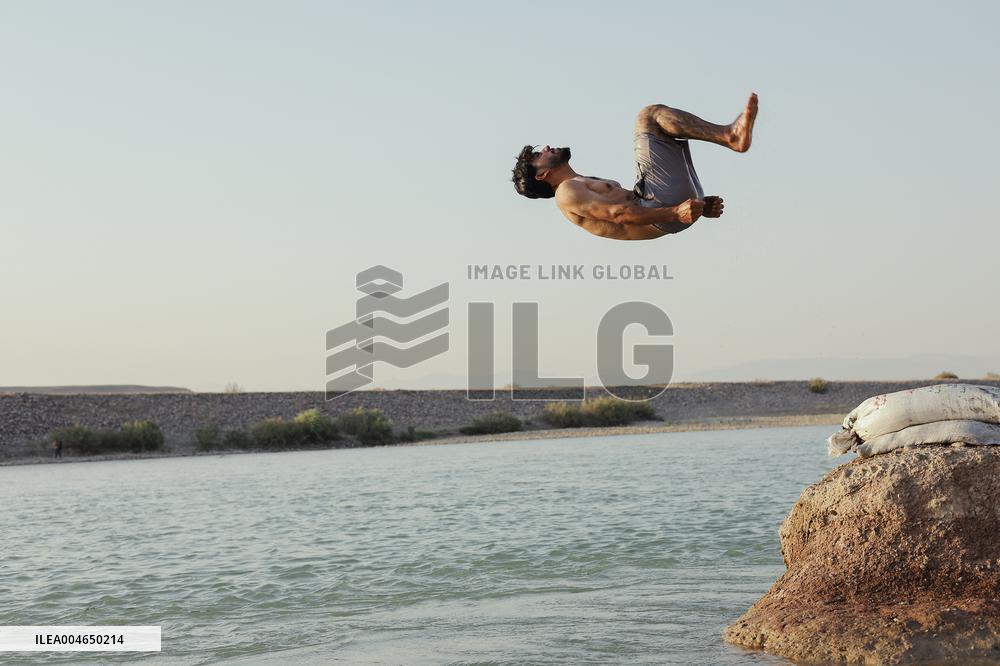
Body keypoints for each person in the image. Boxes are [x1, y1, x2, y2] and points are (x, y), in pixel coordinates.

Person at [511, 93, 758, 240]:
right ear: (542, 174)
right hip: (660, 212)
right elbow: (619, 215)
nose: (544, 148)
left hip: (662, 209)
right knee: (648, 116)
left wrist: (701, 208)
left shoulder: (579, 183)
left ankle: (729, 136)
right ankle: (729, 136)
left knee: (666, 133)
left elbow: (627, 204)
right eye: (537, 156)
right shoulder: (566, 192)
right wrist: (674, 213)